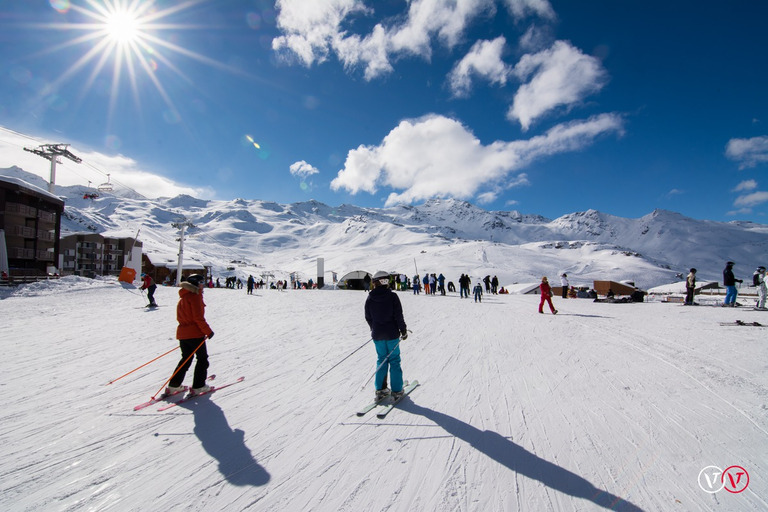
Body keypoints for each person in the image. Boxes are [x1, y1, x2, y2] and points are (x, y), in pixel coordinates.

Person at [166, 274, 215, 395]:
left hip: (183, 333)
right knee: (202, 359)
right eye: (201, 282)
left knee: (186, 359)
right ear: (196, 284)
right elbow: (198, 318)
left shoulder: (184, 296)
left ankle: (174, 385)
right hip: (195, 334)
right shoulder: (195, 297)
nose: (203, 284)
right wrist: (208, 331)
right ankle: (199, 386)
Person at [365, 270, 408, 401]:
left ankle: (381, 389)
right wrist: (403, 330)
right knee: (394, 361)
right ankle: (396, 390)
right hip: (392, 334)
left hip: (377, 335)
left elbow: (368, 317)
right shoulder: (392, 296)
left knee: (381, 359)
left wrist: (374, 328)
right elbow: (398, 316)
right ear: (385, 281)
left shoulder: (370, 297)